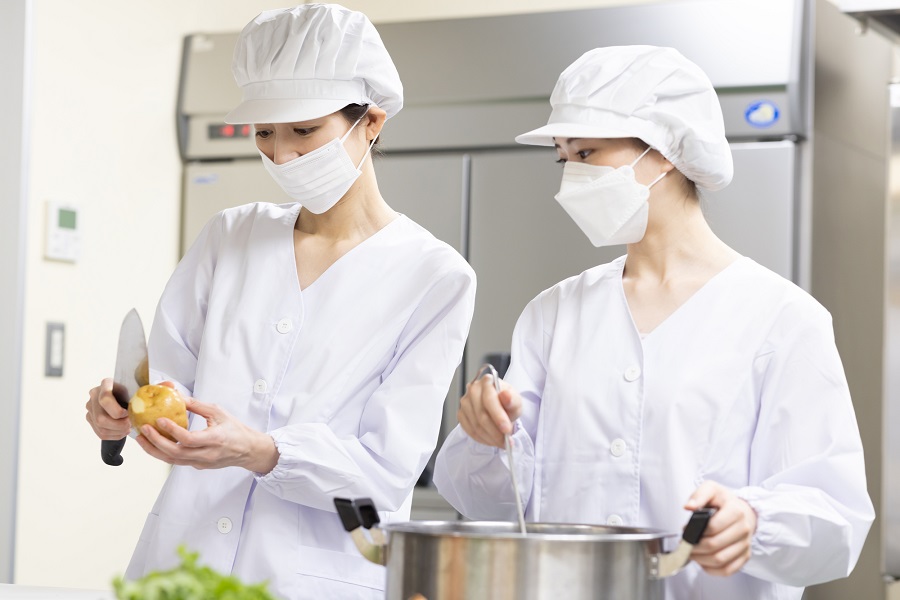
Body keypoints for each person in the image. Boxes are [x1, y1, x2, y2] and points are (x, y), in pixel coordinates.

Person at [433, 45, 874, 599]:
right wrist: (485, 438)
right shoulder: (555, 313)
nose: (571, 176)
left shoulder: (782, 320)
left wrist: (755, 522)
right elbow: (495, 503)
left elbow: (835, 516)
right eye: (563, 157)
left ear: (663, 152)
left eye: (587, 152)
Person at [85, 5, 475, 599]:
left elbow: (386, 470)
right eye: (265, 132)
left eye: (304, 131)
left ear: (370, 121)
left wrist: (265, 453)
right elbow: (167, 390)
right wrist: (126, 410)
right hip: (182, 562)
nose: (282, 155)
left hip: (316, 579)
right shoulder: (231, 236)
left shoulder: (435, 275)